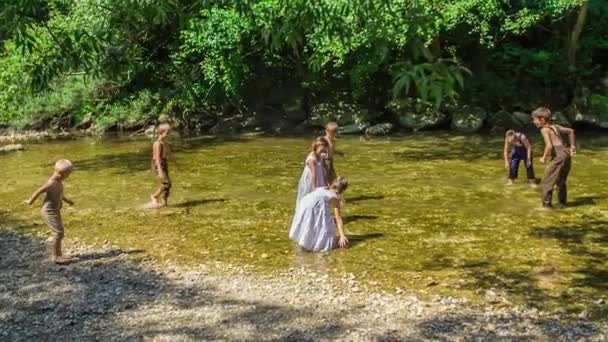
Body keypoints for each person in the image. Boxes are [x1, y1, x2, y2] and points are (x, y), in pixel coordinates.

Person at [25, 159, 74, 265]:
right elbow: (38, 191)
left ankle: (59, 254)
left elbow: (60, 194)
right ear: (61, 174)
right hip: (48, 212)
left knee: (60, 232)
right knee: (58, 232)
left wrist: (67, 201)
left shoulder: (59, 182)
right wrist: (30, 201)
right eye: (68, 174)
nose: (69, 176)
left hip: (55, 210)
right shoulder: (51, 183)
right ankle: (55, 256)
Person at [532, 107, 576, 209]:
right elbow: (571, 131)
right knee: (561, 181)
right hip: (566, 153)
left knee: (546, 181)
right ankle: (562, 203)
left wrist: (543, 157)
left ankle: (546, 206)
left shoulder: (544, 129)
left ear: (542, 120)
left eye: (535, 119)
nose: (534, 122)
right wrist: (573, 146)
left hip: (559, 156)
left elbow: (549, 146)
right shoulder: (555, 126)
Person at [289, 177, 349, 252]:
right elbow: (338, 218)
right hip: (315, 205)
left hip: (304, 202)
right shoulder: (334, 197)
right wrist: (342, 235)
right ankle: (320, 245)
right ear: (343, 190)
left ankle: (305, 241)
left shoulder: (322, 188)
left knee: (309, 223)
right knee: (327, 225)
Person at [296, 137, 329, 209]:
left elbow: (324, 169)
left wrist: (326, 181)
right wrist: (314, 187)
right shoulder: (311, 159)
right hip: (310, 181)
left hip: (320, 179)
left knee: (320, 199)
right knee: (309, 198)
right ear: (318, 147)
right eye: (323, 149)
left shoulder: (320, 156)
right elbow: (314, 174)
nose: (324, 151)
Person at [150, 123, 172, 208]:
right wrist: (160, 171)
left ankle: (164, 202)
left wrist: (175, 160)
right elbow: (157, 158)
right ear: (161, 132)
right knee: (166, 184)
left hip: (164, 163)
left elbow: (168, 152)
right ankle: (154, 196)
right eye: (167, 133)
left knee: (168, 183)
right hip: (158, 164)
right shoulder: (157, 144)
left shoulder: (164, 142)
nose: (168, 135)